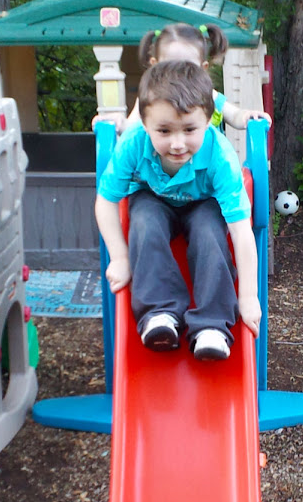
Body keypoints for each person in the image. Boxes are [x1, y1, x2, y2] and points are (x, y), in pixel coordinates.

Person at [95, 60, 261, 361]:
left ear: (208, 120)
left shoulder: (220, 157)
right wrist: (119, 258)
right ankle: (160, 313)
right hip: (153, 198)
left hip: (203, 203)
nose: (177, 143)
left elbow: (241, 230)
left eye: (189, 129)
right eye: (164, 130)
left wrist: (249, 297)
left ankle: (212, 325)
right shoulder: (133, 143)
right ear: (144, 124)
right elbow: (106, 201)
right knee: (144, 221)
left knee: (210, 232)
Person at [93, 22, 272, 134]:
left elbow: (234, 115)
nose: (179, 74)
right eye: (170, 66)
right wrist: (118, 122)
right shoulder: (152, 97)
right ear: (155, 65)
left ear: (202, 68)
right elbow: (132, 126)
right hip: (165, 176)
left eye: (187, 68)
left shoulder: (208, 95)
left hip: (207, 176)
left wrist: (247, 116)